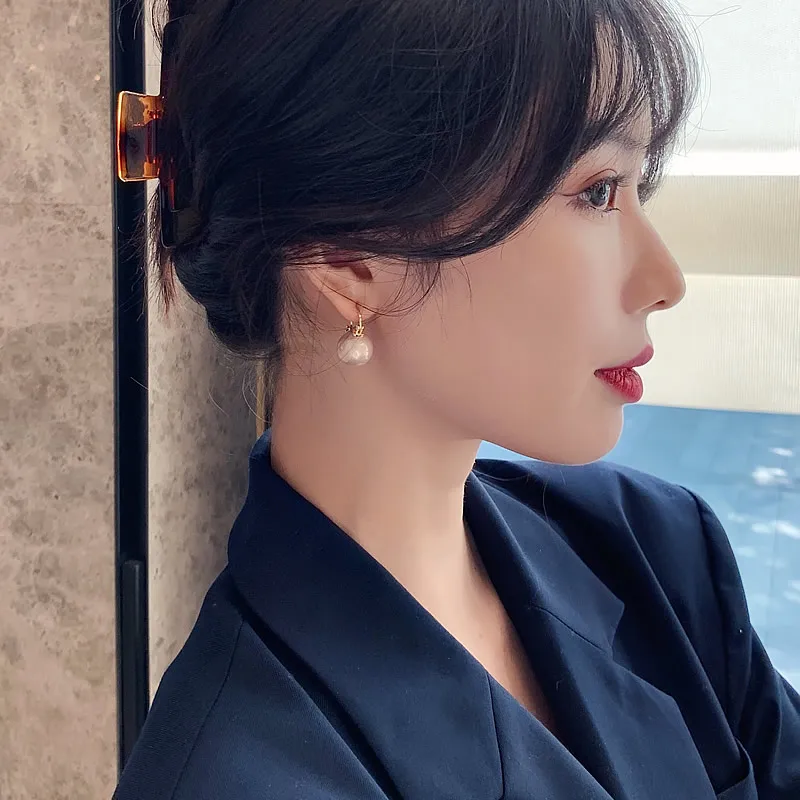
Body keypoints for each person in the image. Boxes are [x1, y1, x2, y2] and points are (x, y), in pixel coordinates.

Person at [113, 0, 800, 797]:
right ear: (350, 258)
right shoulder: (240, 773)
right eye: (598, 191)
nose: (666, 280)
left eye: (636, 186)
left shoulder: (658, 551)